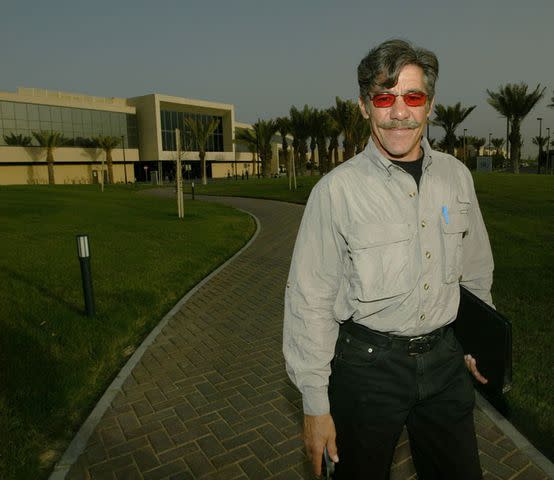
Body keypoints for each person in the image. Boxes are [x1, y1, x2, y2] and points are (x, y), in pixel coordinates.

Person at [283, 39, 494, 480]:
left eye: (413, 97)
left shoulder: (457, 177)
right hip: (367, 370)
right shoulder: (335, 192)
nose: (400, 112)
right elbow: (311, 300)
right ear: (365, 106)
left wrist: (480, 339)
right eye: (385, 98)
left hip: (445, 364)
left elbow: (474, 270)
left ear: (429, 106)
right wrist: (315, 405)